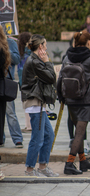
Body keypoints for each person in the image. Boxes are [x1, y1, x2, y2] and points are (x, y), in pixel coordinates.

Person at [57, 30, 90, 175]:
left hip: (70, 99)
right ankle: (69, 163)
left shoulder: (67, 57)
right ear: (89, 43)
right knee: (80, 132)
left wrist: (61, 97)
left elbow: (60, 78)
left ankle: (83, 161)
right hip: (85, 100)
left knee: (78, 130)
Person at [21, 34, 59, 177]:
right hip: (34, 102)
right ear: (41, 46)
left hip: (39, 102)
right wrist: (48, 62)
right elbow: (51, 77)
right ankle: (30, 170)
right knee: (37, 138)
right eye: (45, 44)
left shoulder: (36, 60)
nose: (47, 47)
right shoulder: (35, 61)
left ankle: (43, 167)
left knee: (49, 135)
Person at [2, 36, 22, 148]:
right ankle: (1, 138)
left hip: (6, 81)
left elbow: (17, 59)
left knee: (10, 112)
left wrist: (5, 50)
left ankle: (17, 138)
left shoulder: (10, 42)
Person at [17, 32, 32, 131]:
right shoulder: (29, 52)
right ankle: (29, 125)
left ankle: (28, 125)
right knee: (29, 104)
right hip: (29, 82)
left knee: (26, 105)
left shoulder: (21, 53)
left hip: (23, 82)